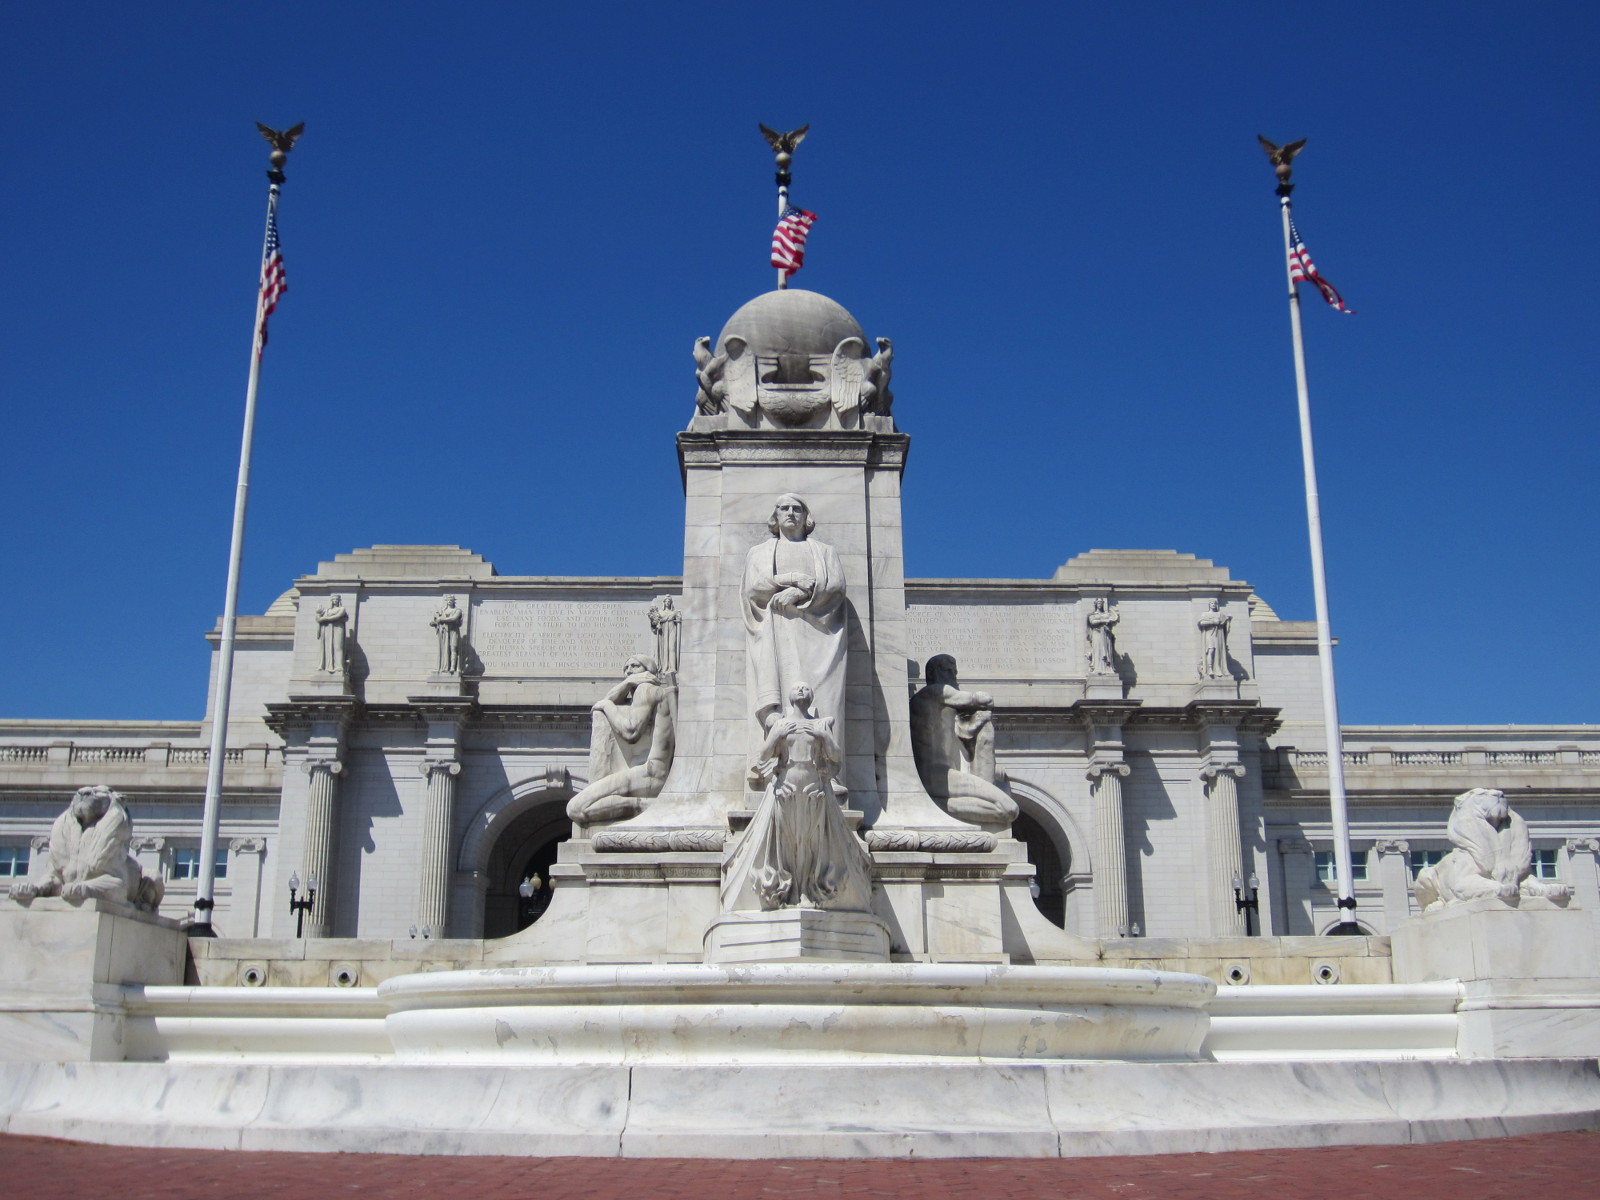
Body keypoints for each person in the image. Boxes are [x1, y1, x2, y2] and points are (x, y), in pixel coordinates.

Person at [722, 682, 873, 913]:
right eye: (797, 688)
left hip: (814, 787)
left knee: (811, 841)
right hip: (787, 786)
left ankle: (807, 890)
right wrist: (776, 737)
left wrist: (824, 735)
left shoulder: (821, 724)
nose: (801, 690)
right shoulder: (781, 724)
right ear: (790, 697)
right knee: (789, 840)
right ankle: (789, 889)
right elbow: (762, 756)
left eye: (805, 688)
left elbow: (835, 757)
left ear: (812, 696)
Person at [742, 494, 848, 740]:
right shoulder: (760, 552)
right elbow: (754, 587)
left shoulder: (824, 551)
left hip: (821, 635)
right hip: (776, 633)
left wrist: (798, 594)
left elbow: (836, 587)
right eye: (784, 508)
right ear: (775, 516)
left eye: (797, 509)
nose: (791, 512)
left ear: (806, 516)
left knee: (824, 701)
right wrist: (792, 579)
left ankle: (827, 763)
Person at [9, 785, 164, 910]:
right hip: (77, 886)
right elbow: (56, 878)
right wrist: (37, 888)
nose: (85, 793)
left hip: (127, 886)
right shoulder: (64, 829)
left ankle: (145, 905)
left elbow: (118, 886)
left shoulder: (113, 838)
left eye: (98, 792)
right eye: (82, 792)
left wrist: (85, 888)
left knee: (153, 876)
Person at [910, 655, 1018, 826]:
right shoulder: (933, 693)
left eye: (955, 672)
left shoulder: (944, 710)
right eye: (948, 670)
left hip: (949, 776)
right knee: (1008, 809)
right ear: (932, 672)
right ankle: (937, 805)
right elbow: (983, 698)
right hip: (939, 775)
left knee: (1005, 805)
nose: (953, 676)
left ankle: (936, 805)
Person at [566, 656, 675, 827]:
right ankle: (650, 804)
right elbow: (609, 699)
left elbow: (630, 731)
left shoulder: (646, 689)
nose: (628, 671)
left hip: (650, 774)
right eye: (626, 668)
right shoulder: (646, 692)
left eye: (635, 666)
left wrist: (607, 707)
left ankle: (652, 805)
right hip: (645, 773)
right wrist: (627, 683)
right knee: (579, 808)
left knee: (576, 808)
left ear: (648, 671)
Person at [430, 596, 465, 674]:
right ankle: (445, 667)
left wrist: (441, 620)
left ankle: (453, 667)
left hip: (453, 631)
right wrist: (435, 623)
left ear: (453, 601)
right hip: (445, 632)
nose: (449, 601)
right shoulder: (442, 610)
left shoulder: (457, 610)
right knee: (445, 649)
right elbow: (438, 620)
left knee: (453, 648)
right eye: (448, 600)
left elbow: (454, 618)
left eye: (451, 600)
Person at [1086, 598, 1120, 676]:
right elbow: (1092, 622)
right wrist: (1104, 621)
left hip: (1106, 634)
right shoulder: (1092, 615)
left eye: (1101, 602)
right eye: (1098, 602)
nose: (1100, 604)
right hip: (1097, 634)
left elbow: (1113, 621)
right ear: (1095, 604)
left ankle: (1107, 668)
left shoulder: (1106, 614)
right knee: (1098, 650)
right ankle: (1097, 668)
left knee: (1107, 650)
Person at [1198, 599, 1231, 678]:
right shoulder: (1205, 614)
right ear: (1209, 604)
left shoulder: (1220, 614)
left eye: (1215, 603)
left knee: (1218, 652)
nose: (1213, 604)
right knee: (1211, 650)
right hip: (1209, 634)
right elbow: (1201, 623)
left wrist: (1228, 620)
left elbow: (1225, 625)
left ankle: (1218, 668)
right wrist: (1213, 622)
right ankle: (1209, 668)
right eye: (1212, 603)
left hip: (1219, 635)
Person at [317, 595, 348, 674]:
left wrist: (324, 618)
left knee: (338, 647)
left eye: (337, 599)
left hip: (338, 629)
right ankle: (328, 666)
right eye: (334, 599)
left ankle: (339, 666)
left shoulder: (342, 609)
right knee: (327, 647)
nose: (335, 601)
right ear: (331, 601)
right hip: (327, 630)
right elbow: (318, 619)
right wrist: (318, 613)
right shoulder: (327, 610)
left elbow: (337, 616)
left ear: (339, 601)